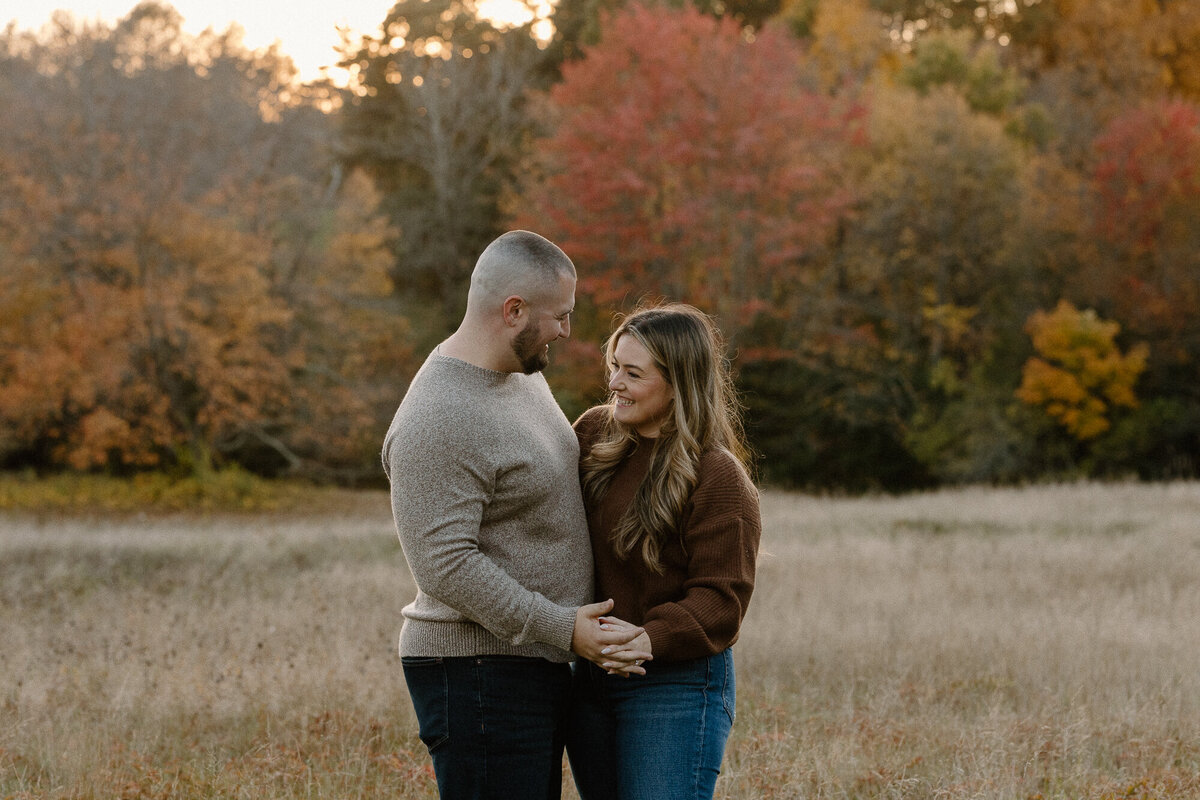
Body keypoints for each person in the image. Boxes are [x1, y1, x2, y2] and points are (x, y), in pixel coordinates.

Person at [382, 230, 649, 800]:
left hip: (526, 664)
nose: (567, 331)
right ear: (514, 311)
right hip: (478, 673)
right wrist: (562, 627)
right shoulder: (438, 416)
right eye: (561, 316)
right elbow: (444, 565)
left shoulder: (519, 379)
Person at [567, 303, 761, 800]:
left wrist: (650, 636)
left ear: (678, 384)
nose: (614, 383)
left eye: (633, 373)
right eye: (614, 367)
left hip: (675, 684)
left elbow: (722, 599)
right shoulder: (592, 434)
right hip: (589, 679)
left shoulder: (717, 477)